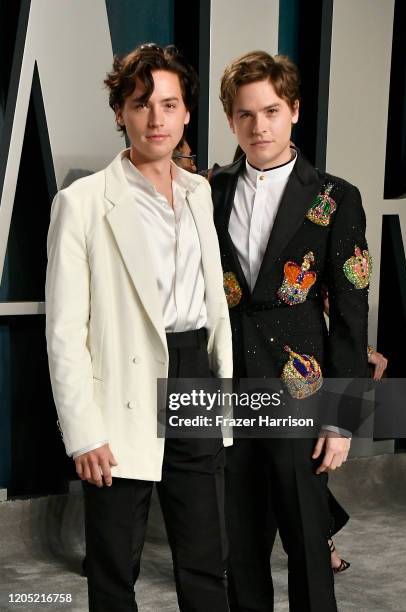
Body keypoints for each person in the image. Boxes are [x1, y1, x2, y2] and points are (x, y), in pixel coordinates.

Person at [45, 43, 232, 612]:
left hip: (195, 376)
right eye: (141, 103)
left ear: (186, 115)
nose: (157, 118)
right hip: (122, 387)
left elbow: (211, 302)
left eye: (169, 105)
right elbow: (64, 332)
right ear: (121, 112)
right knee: (114, 563)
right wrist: (83, 431)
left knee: (205, 553)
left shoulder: (200, 193)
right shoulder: (81, 203)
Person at [211, 51, 371, 611]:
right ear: (231, 120)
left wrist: (343, 417)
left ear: (294, 111)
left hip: (301, 391)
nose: (260, 126)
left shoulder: (335, 196)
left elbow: (352, 312)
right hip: (227, 388)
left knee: (306, 537)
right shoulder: (208, 190)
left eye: (272, 111)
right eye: (246, 115)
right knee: (240, 545)